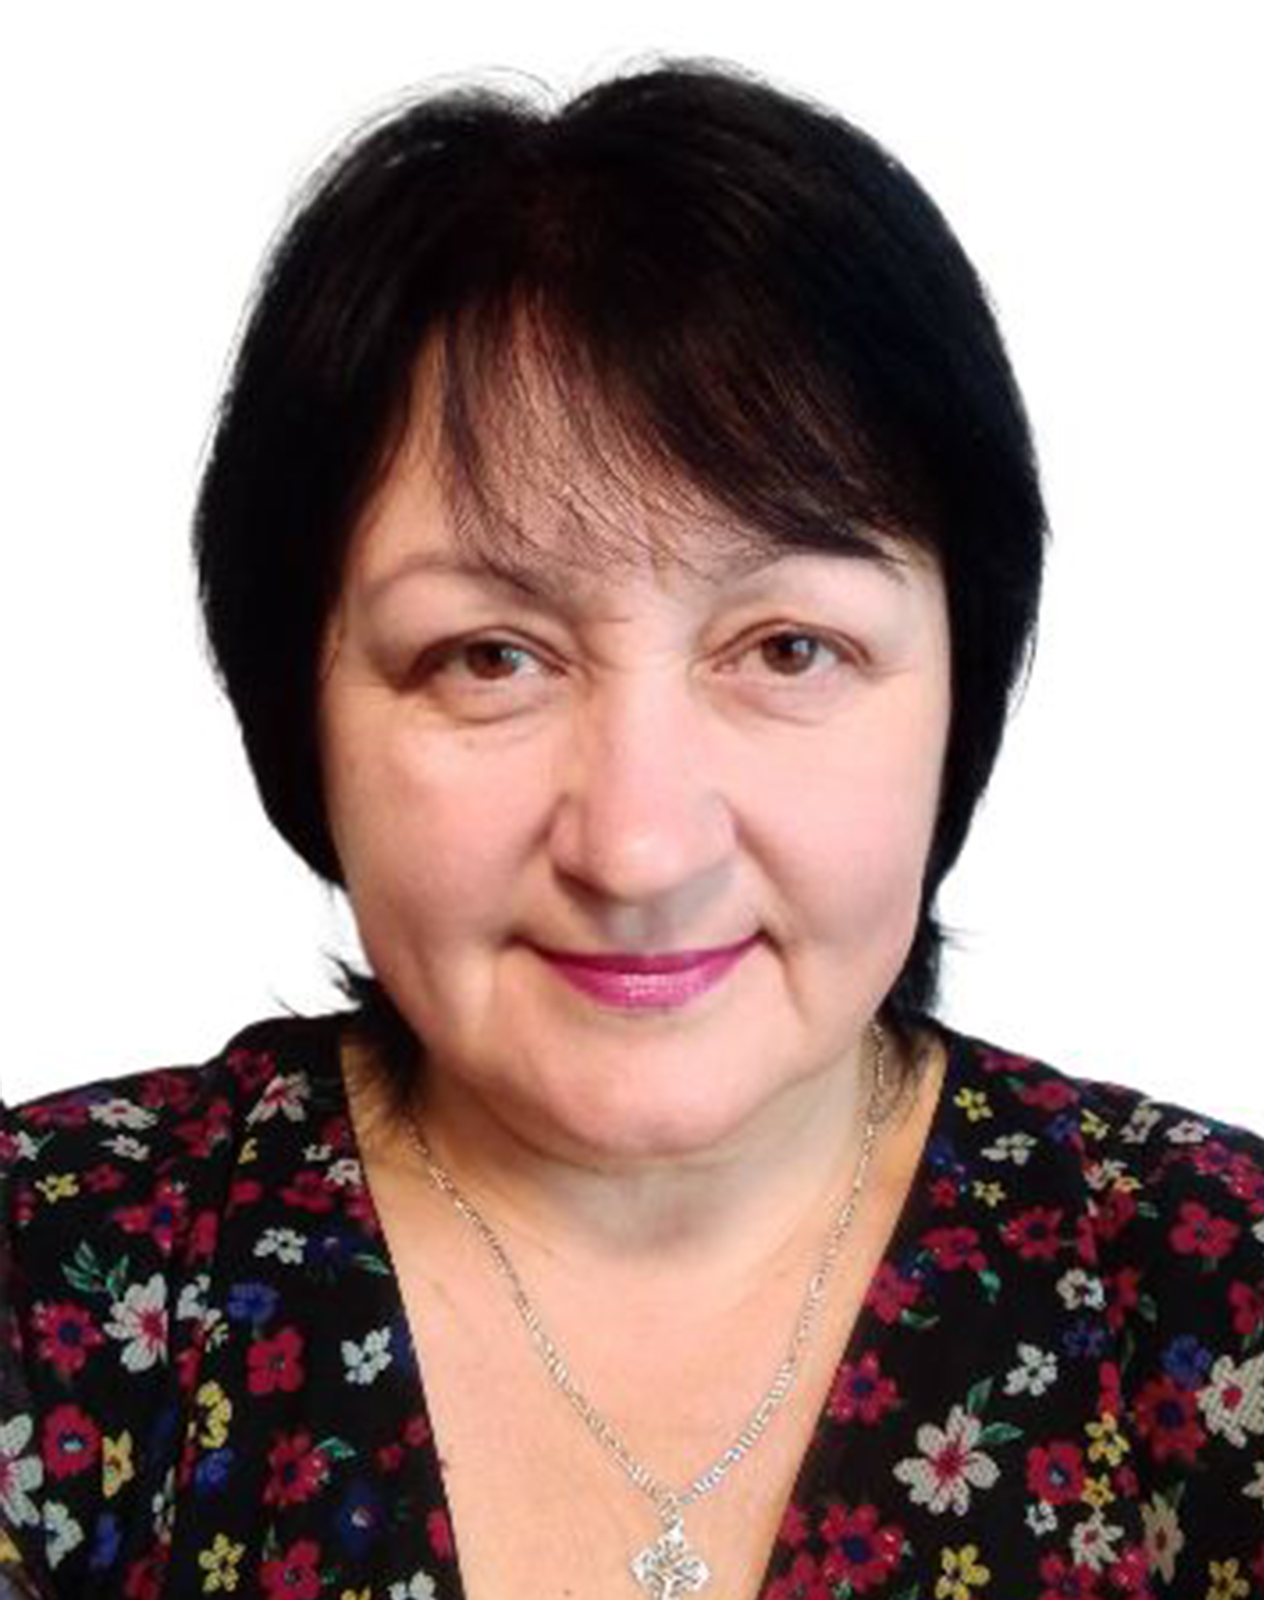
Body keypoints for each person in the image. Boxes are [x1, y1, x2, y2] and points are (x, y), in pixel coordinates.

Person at [2, 58, 1261, 1600]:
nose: (641, 848)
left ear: (962, 687)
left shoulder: (1222, 1289)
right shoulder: (51, 1284)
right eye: (490, 657)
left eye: (787, 649)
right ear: (298, 702)